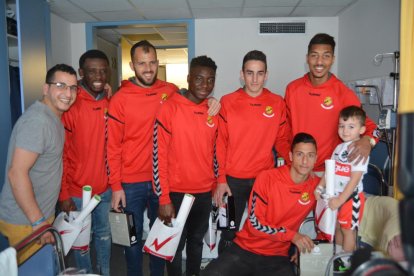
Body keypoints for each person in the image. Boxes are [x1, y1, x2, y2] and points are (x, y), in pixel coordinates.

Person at [107, 40, 220, 276]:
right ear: (132, 65)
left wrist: (213, 102)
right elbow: (112, 146)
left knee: (163, 239)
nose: (148, 68)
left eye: (151, 63)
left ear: (157, 63)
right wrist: (116, 186)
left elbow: (192, 98)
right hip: (133, 182)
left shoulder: (169, 91)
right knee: (134, 238)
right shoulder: (120, 98)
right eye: (141, 63)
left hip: (164, 182)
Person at [202, 133, 320, 276]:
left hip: (277, 257)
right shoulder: (268, 178)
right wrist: (293, 236)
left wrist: (302, 247)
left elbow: (325, 220)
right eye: (300, 154)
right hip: (245, 249)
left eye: (310, 155)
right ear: (290, 156)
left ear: (316, 159)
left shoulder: (316, 187)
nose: (305, 161)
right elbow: (254, 225)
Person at [214, 50, 291, 252]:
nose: (255, 79)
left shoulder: (277, 103)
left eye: (259, 73)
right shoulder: (228, 102)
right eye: (250, 73)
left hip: (264, 180)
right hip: (232, 181)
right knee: (228, 230)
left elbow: (282, 140)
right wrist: (220, 179)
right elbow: (219, 144)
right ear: (242, 74)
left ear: (266, 75)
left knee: (263, 230)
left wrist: (294, 161)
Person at [0, 64, 77, 263]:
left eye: (72, 87)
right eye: (61, 85)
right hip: (26, 220)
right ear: (46, 89)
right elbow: (16, 174)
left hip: (39, 216)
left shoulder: (53, 116)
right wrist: (38, 222)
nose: (68, 93)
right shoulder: (38, 122)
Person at [153, 55, 218, 276]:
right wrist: (164, 198)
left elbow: (216, 154)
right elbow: (158, 157)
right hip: (177, 194)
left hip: (203, 193)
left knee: (196, 243)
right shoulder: (169, 108)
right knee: (174, 245)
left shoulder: (213, 112)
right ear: (189, 78)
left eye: (210, 80)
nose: (205, 85)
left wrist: (216, 184)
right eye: (199, 79)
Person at [284, 33, 379, 174]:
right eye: (314, 55)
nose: (319, 62)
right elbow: (285, 129)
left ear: (333, 59)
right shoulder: (293, 89)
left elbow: (371, 128)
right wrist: (289, 158)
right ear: (307, 58)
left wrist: (367, 142)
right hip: (297, 167)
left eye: (326, 56)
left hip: (327, 171)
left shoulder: (343, 93)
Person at [58, 50, 112, 275]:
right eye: (92, 71)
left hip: (105, 189)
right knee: (81, 244)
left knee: (104, 236)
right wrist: (63, 194)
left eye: (102, 70)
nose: (98, 75)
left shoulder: (111, 101)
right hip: (77, 191)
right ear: (81, 73)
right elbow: (60, 155)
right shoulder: (70, 105)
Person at [315, 105, 369, 271]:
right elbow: (330, 169)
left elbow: (354, 179)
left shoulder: (358, 149)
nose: (345, 131)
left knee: (348, 231)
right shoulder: (339, 148)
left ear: (362, 130)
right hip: (337, 198)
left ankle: (347, 265)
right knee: (338, 228)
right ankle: (338, 259)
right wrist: (319, 187)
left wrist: (340, 200)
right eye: (342, 126)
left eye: (351, 127)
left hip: (350, 198)